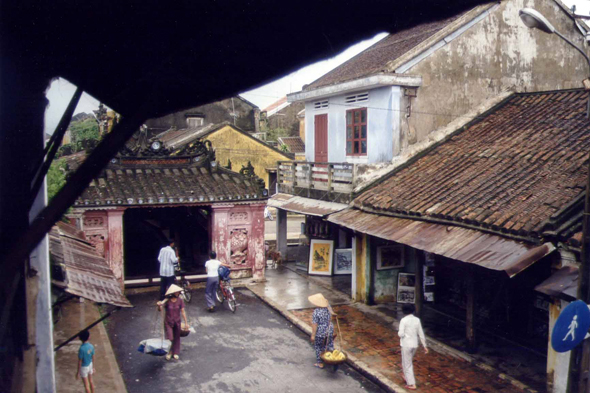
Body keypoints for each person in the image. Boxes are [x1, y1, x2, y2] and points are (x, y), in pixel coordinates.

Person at [398, 304, 428, 390]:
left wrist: (401, 335)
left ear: (404, 311)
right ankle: (406, 376)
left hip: (406, 344)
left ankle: (411, 384)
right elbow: (421, 334)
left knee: (407, 364)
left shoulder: (403, 320)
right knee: (407, 361)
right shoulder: (417, 320)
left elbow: (401, 333)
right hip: (415, 345)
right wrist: (424, 346)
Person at [157, 284, 189, 360]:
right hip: (168, 322)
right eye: (176, 292)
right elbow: (160, 309)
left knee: (177, 337)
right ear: (173, 293)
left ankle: (176, 352)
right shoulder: (167, 301)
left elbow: (183, 311)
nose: (178, 293)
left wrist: (186, 322)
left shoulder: (180, 300)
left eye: (178, 292)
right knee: (170, 337)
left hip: (177, 322)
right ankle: (170, 352)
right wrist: (159, 305)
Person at [308, 293, 335, 369]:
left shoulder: (316, 312)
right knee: (329, 343)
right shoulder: (328, 307)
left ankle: (320, 363)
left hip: (320, 331)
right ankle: (331, 358)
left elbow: (315, 324)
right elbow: (330, 318)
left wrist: (313, 335)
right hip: (329, 329)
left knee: (318, 346)